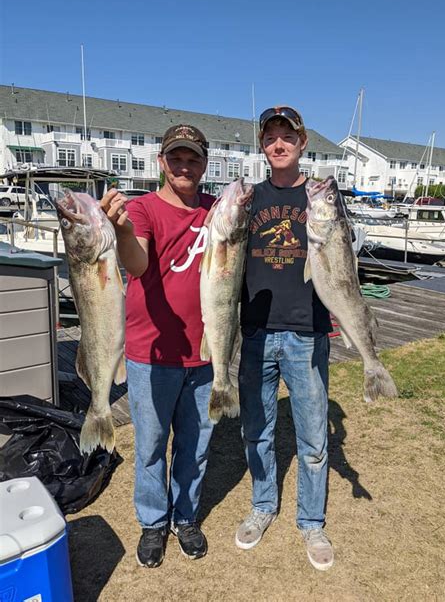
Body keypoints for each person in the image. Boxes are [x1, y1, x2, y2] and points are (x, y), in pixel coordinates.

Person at [100, 125, 215, 567]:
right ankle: (153, 522)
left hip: (206, 352)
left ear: (205, 164)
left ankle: (185, 516)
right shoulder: (143, 209)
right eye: (176, 158)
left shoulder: (217, 210)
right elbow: (137, 261)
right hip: (151, 354)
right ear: (162, 162)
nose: (185, 166)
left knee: (196, 442)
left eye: (193, 158)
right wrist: (122, 232)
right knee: (150, 444)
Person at [236, 106, 334, 571]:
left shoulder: (321, 197)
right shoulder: (246, 197)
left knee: (313, 439)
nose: (279, 144)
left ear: (302, 143)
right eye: (271, 136)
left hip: (307, 334)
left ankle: (312, 521)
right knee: (257, 431)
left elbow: (342, 261)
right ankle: (262, 505)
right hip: (256, 332)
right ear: (261, 145)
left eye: (287, 137)